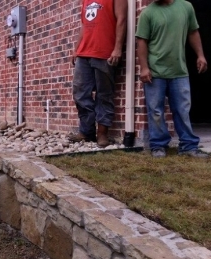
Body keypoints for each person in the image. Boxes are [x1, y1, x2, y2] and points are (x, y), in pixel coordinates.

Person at [136, 0, 208, 158]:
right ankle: (158, 146)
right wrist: (144, 67)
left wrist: (200, 55)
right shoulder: (148, 13)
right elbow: (142, 41)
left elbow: (193, 32)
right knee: (155, 110)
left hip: (179, 70)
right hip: (155, 71)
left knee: (182, 110)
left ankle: (188, 146)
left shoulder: (186, 6)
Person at [69, 0, 128, 147]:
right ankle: (87, 131)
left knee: (104, 94)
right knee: (80, 93)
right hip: (84, 53)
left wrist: (118, 48)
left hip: (104, 53)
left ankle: (102, 133)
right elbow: (84, 25)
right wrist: (76, 49)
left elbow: (122, 19)